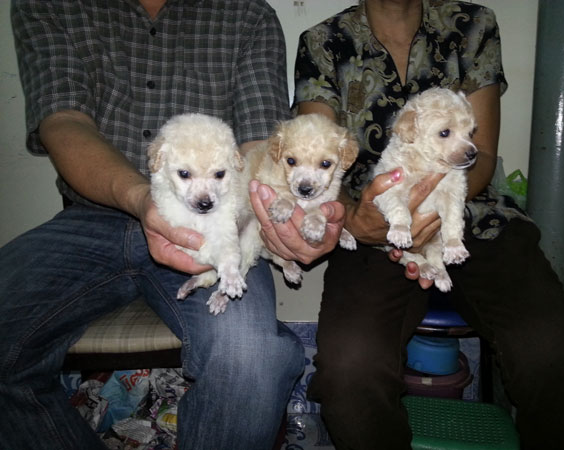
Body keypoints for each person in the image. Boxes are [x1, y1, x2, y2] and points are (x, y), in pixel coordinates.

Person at [250, 0, 564, 449]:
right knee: (349, 376)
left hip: (472, 214)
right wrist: (357, 220)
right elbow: (315, 150)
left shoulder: (472, 25)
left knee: (557, 355)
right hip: (374, 224)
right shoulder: (323, 41)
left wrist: (434, 215)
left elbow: (481, 156)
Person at [0, 1, 344, 449]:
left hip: (218, 220)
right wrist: (142, 198)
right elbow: (62, 121)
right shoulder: (51, 5)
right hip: (91, 214)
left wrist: (285, 210)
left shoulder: (247, 14)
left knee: (251, 358)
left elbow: (260, 146)